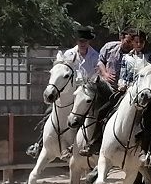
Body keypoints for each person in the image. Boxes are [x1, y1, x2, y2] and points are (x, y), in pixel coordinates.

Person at [26, 25, 99, 159]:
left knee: (91, 117)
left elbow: (95, 75)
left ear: (89, 42)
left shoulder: (95, 56)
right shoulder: (68, 54)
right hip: (68, 92)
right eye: (80, 41)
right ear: (77, 41)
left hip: (84, 93)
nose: (83, 44)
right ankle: (39, 143)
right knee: (50, 112)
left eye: (85, 41)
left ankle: (90, 145)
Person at [77, 28, 136, 157]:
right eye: (128, 40)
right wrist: (104, 73)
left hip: (123, 91)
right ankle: (76, 141)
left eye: (132, 41)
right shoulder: (109, 47)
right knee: (82, 104)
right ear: (121, 38)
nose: (130, 44)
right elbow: (100, 61)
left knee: (106, 111)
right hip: (105, 86)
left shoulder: (134, 55)